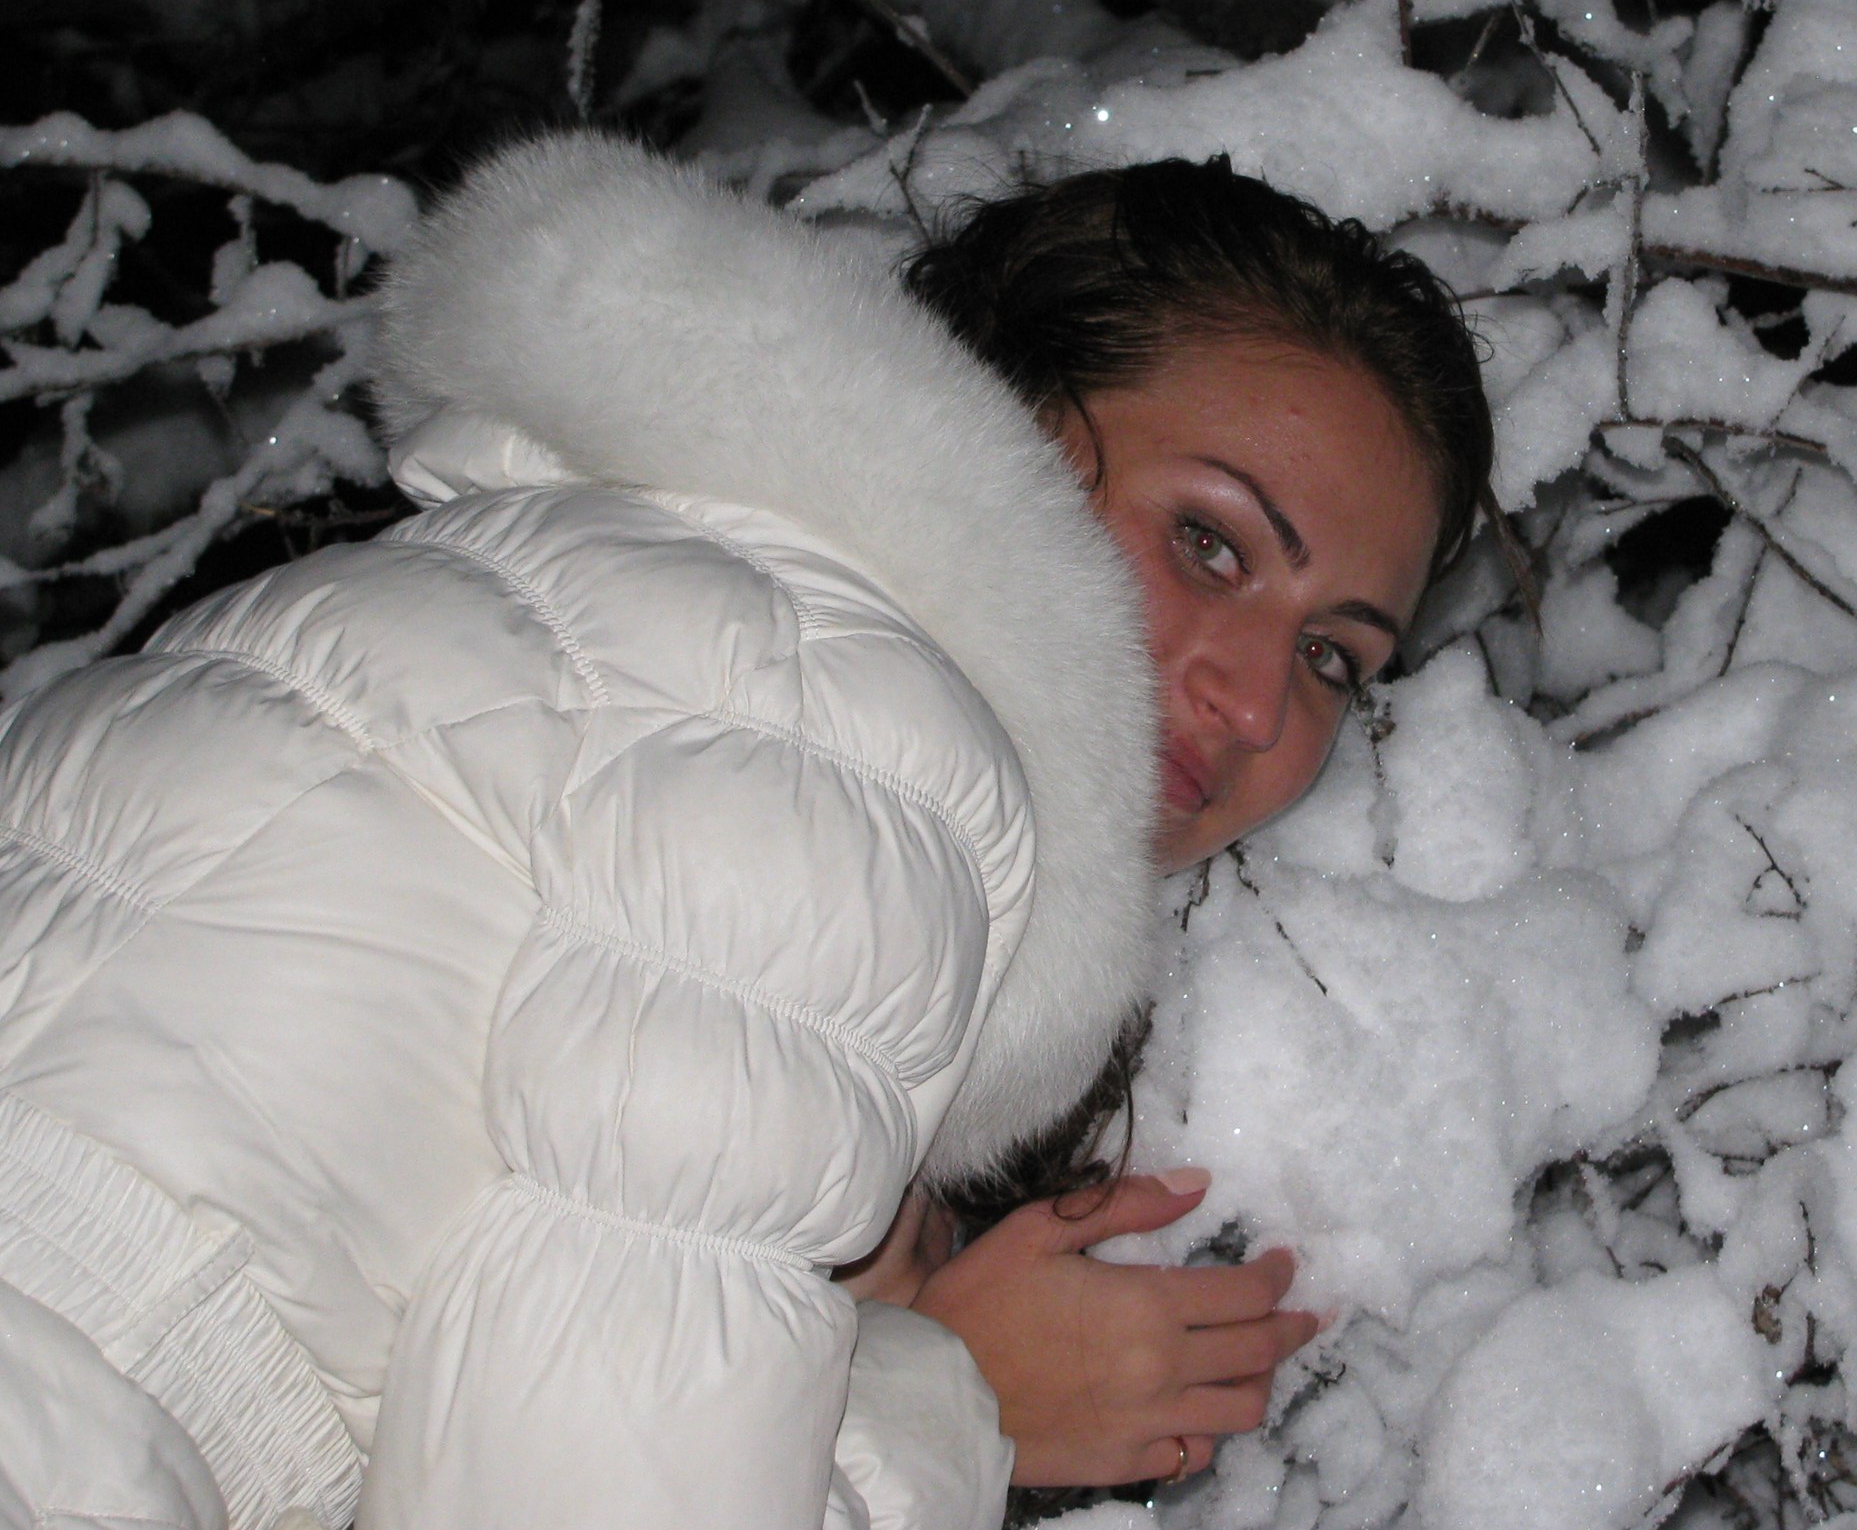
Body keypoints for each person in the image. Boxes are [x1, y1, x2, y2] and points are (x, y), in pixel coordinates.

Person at [0, 131, 1493, 1530]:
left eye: (1332, 656)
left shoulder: (629, 607)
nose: (1254, 704)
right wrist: (952, 1396)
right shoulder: (844, 732)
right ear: (999, 417)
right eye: (1210, 541)